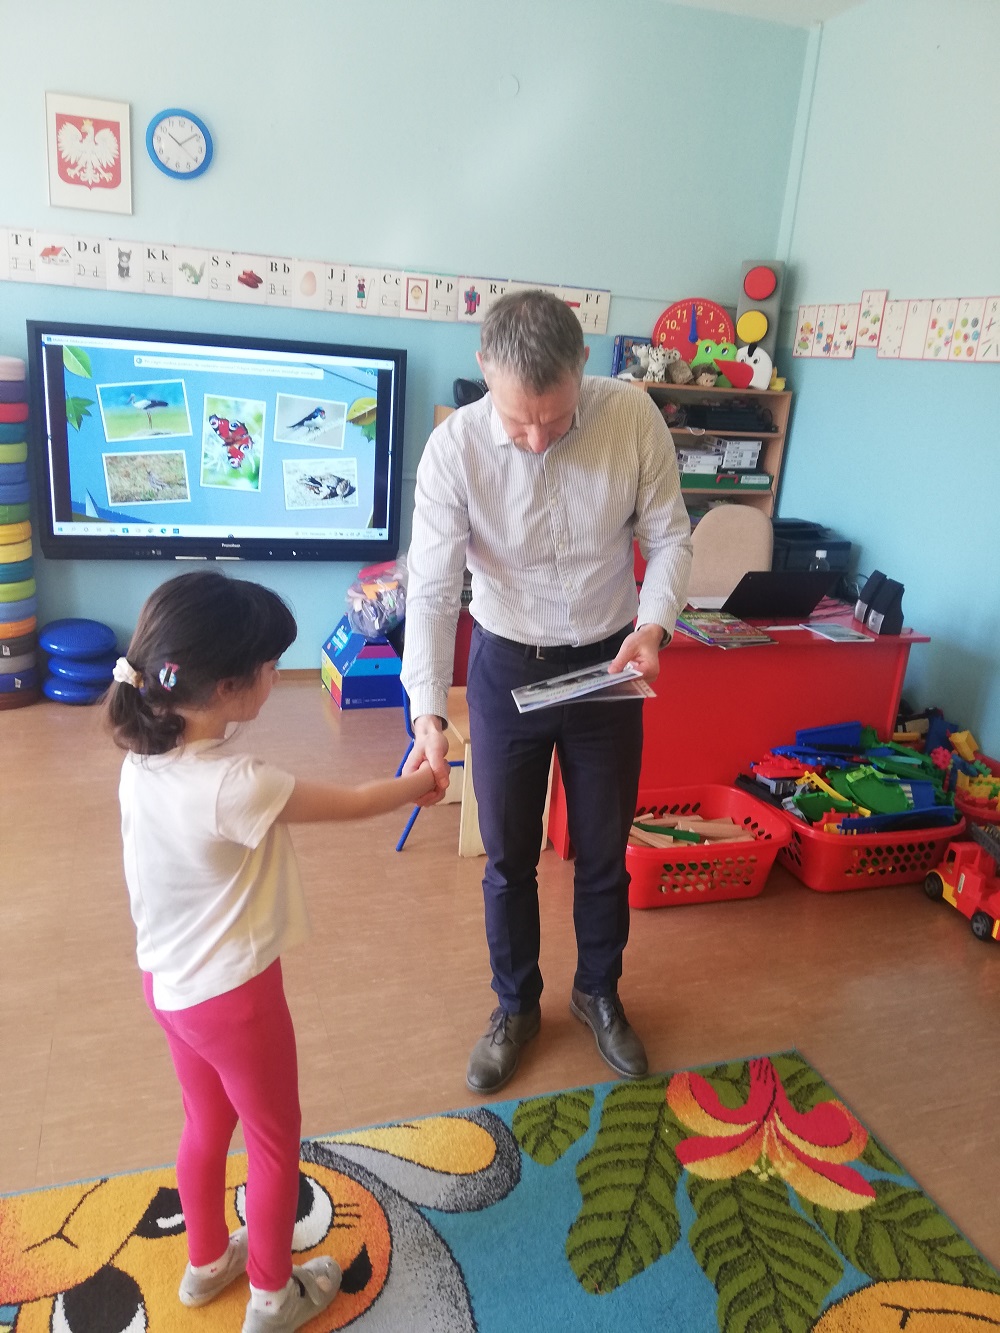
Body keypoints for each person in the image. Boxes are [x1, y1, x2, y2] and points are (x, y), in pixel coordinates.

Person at [106, 570, 436, 1333]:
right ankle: (271, 1296)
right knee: (274, 1137)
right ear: (228, 687)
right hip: (235, 999)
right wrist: (418, 782)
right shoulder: (235, 783)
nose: (273, 675)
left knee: (204, 1124)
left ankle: (204, 1262)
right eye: (268, 666)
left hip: (169, 987)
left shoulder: (141, 760)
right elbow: (352, 803)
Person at [401, 289, 692, 1095]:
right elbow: (433, 590)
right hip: (507, 664)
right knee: (508, 856)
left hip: (608, 661)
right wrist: (428, 709)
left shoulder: (631, 417)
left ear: (582, 367)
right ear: (484, 370)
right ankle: (515, 1005)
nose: (536, 439)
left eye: (556, 419)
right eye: (518, 421)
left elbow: (669, 537)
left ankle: (598, 990)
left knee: (602, 849)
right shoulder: (455, 449)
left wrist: (654, 628)